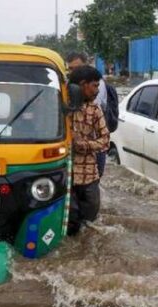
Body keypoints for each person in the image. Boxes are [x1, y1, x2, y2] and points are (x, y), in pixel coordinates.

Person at [67, 66, 110, 234]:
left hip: (89, 173)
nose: (97, 90)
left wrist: (84, 144)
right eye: (94, 86)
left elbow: (105, 140)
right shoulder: (61, 106)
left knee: (91, 218)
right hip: (65, 173)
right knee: (70, 220)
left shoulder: (95, 110)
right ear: (83, 85)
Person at [66, 52, 119, 178]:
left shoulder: (94, 88)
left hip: (93, 150)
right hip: (72, 152)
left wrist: (80, 142)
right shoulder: (68, 86)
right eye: (71, 69)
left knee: (93, 183)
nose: (73, 72)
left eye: (77, 68)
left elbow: (86, 112)